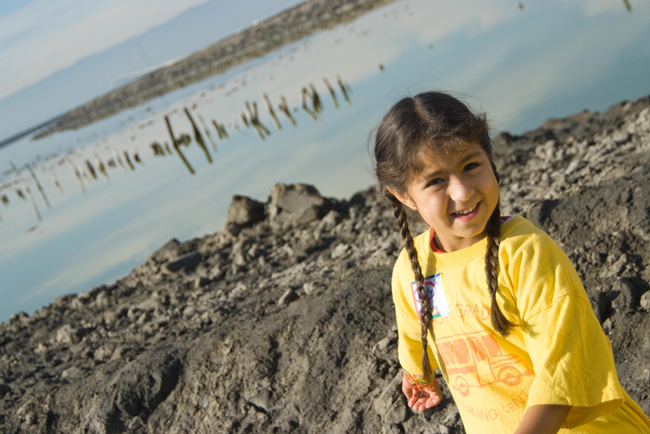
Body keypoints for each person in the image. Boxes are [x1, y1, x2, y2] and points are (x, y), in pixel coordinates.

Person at [373, 91, 650, 434]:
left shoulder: (526, 253)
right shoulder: (412, 268)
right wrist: (417, 372)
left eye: (471, 166)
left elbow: (561, 371)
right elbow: (414, 331)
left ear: (491, 159)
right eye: (436, 181)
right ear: (403, 196)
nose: (462, 191)